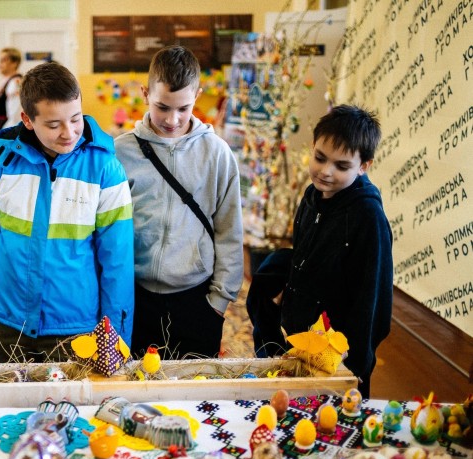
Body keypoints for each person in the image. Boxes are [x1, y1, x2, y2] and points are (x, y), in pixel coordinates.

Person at [0, 61, 134, 363]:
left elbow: (117, 258)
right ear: (27, 120)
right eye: (54, 125)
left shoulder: (105, 168)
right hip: (5, 323)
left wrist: (114, 333)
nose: (69, 133)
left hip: (78, 329)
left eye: (76, 119)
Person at [250, 105, 392, 399]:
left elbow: (372, 300)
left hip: (337, 362)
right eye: (320, 158)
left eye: (341, 166)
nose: (326, 171)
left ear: (364, 166)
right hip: (300, 344)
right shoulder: (312, 195)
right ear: (312, 147)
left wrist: (352, 367)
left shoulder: (368, 217)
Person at [114, 45, 243, 360]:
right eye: (162, 107)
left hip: (197, 299)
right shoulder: (119, 152)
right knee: (134, 382)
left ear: (197, 96)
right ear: (146, 93)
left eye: (183, 108)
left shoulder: (217, 154)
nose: (172, 119)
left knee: (194, 383)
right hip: (134, 296)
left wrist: (219, 302)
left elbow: (229, 231)